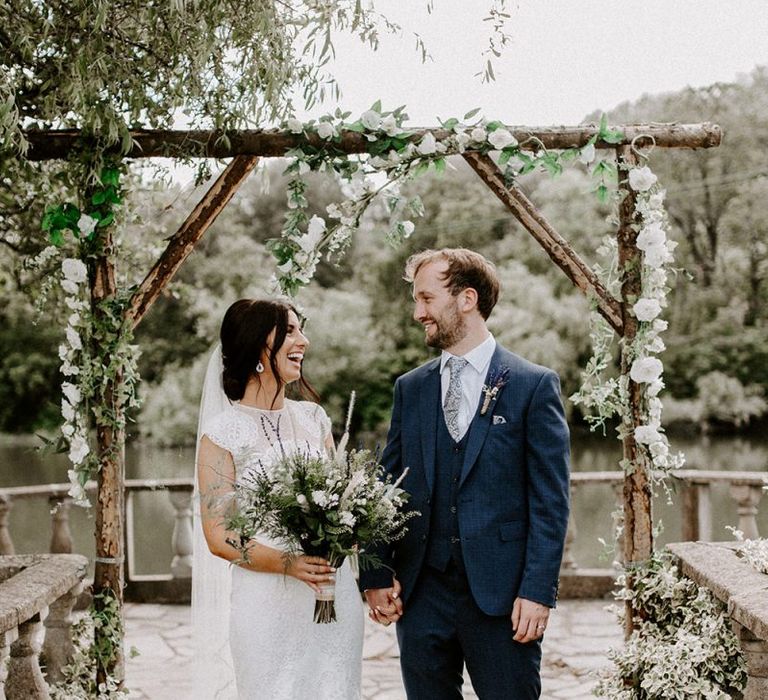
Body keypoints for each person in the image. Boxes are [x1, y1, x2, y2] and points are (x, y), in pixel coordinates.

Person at [359, 249, 570, 699]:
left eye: (427, 298)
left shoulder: (533, 385)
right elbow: (384, 488)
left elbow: (550, 501)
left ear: (467, 298)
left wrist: (538, 591)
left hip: (503, 598)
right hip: (421, 595)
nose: (418, 313)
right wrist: (375, 573)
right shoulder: (410, 388)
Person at [192, 298, 364, 699]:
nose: (303, 340)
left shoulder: (313, 418)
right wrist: (290, 563)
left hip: (331, 597)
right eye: (289, 330)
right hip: (266, 605)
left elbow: (341, 504)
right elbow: (219, 536)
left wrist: (351, 530)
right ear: (256, 345)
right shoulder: (222, 434)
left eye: (300, 329)